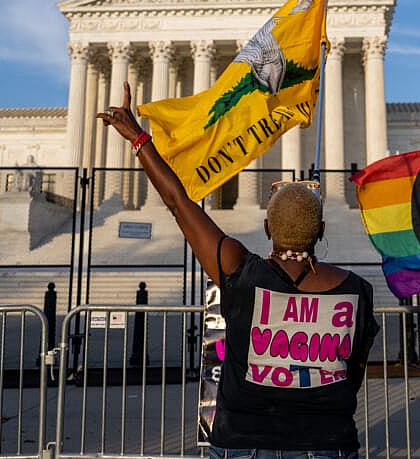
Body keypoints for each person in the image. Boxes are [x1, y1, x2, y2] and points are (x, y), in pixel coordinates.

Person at [99, 82, 379, 459]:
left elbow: (179, 203)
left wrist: (138, 138)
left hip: (242, 443)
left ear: (267, 229)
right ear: (322, 232)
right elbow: (354, 372)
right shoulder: (357, 291)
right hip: (326, 442)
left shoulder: (240, 272)